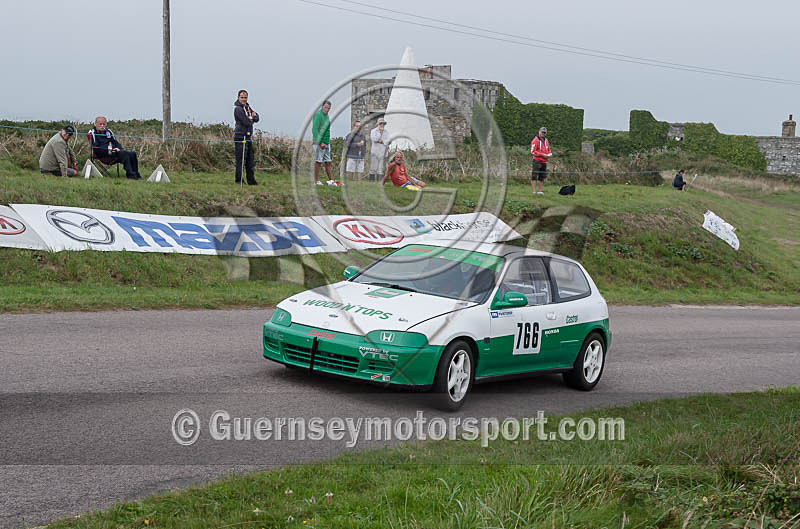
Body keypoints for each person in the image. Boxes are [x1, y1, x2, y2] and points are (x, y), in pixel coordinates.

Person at [233, 89, 259, 185]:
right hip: (240, 137)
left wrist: (252, 117)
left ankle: (251, 181)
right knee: (241, 160)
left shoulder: (247, 107)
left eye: (245, 97)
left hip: (248, 137)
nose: (244, 99)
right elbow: (246, 122)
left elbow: (257, 117)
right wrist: (251, 118)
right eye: (242, 97)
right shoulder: (238, 109)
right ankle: (239, 180)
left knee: (250, 160)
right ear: (238, 98)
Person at [313, 100, 334, 185]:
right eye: (325, 107)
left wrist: (326, 142)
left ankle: (331, 181)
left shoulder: (327, 116)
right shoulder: (318, 115)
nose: (327, 110)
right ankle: (316, 181)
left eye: (328, 108)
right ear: (322, 107)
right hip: (320, 143)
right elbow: (315, 130)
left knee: (328, 161)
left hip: (326, 142)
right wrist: (320, 142)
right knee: (318, 161)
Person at [530, 126, 552, 195]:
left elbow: (548, 149)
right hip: (537, 161)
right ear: (539, 132)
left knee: (542, 176)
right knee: (534, 176)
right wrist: (542, 155)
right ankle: (534, 192)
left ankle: (540, 191)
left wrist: (550, 154)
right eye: (542, 132)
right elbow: (532, 151)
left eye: (544, 132)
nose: (543, 133)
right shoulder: (535, 140)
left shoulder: (546, 140)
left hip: (544, 161)